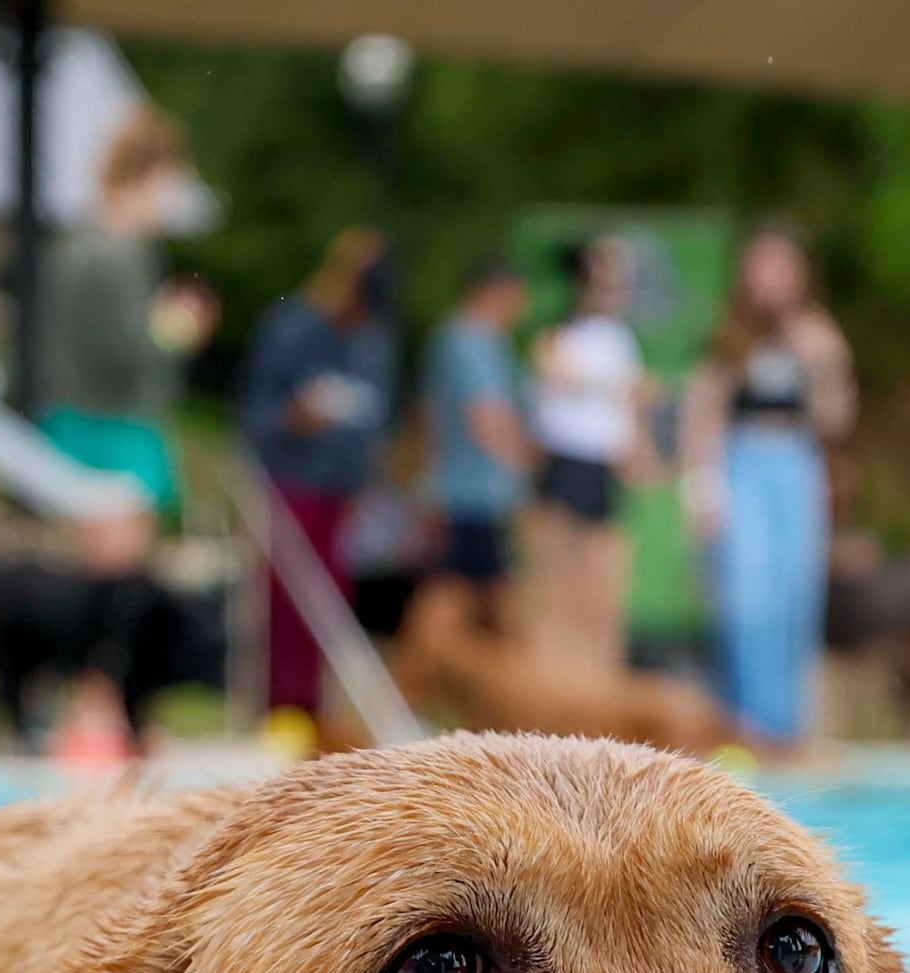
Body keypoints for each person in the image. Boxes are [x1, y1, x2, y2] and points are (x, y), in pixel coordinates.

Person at [35, 106, 214, 760]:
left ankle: (91, 714)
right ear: (153, 173)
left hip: (77, 424)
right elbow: (129, 351)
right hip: (113, 429)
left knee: (94, 583)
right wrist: (178, 329)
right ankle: (102, 718)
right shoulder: (118, 250)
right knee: (120, 590)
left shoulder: (78, 242)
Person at [682, 221, 853, 749]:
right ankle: (741, 723)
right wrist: (700, 485)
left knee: (792, 597)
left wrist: (822, 362)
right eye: (762, 265)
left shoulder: (818, 335)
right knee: (745, 597)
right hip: (742, 462)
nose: (771, 278)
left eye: (782, 267)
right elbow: (701, 412)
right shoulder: (730, 335)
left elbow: (838, 420)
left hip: (795, 464)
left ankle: (786, 728)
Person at [235, 225, 397, 736]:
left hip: (341, 490)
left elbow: (376, 419)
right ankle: (280, 711)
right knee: (286, 603)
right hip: (292, 480)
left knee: (332, 607)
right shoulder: (294, 328)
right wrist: (294, 418)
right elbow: (256, 411)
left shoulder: (374, 340)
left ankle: (316, 712)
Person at [523, 233, 653, 678]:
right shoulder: (559, 334)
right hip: (565, 459)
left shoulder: (621, 340)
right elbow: (557, 382)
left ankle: (594, 675)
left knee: (601, 579)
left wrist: (637, 451)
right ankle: (550, 673)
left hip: (603, 464)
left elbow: (631, 405)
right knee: (556, 574)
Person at [422, 253, 532, 608]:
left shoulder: (476, 340)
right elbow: (486, 420)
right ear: (496, 292)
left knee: (466, 593)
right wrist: (525, 469)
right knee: (466, 597)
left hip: (470, 490)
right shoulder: (470, 341)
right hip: (470, 493)